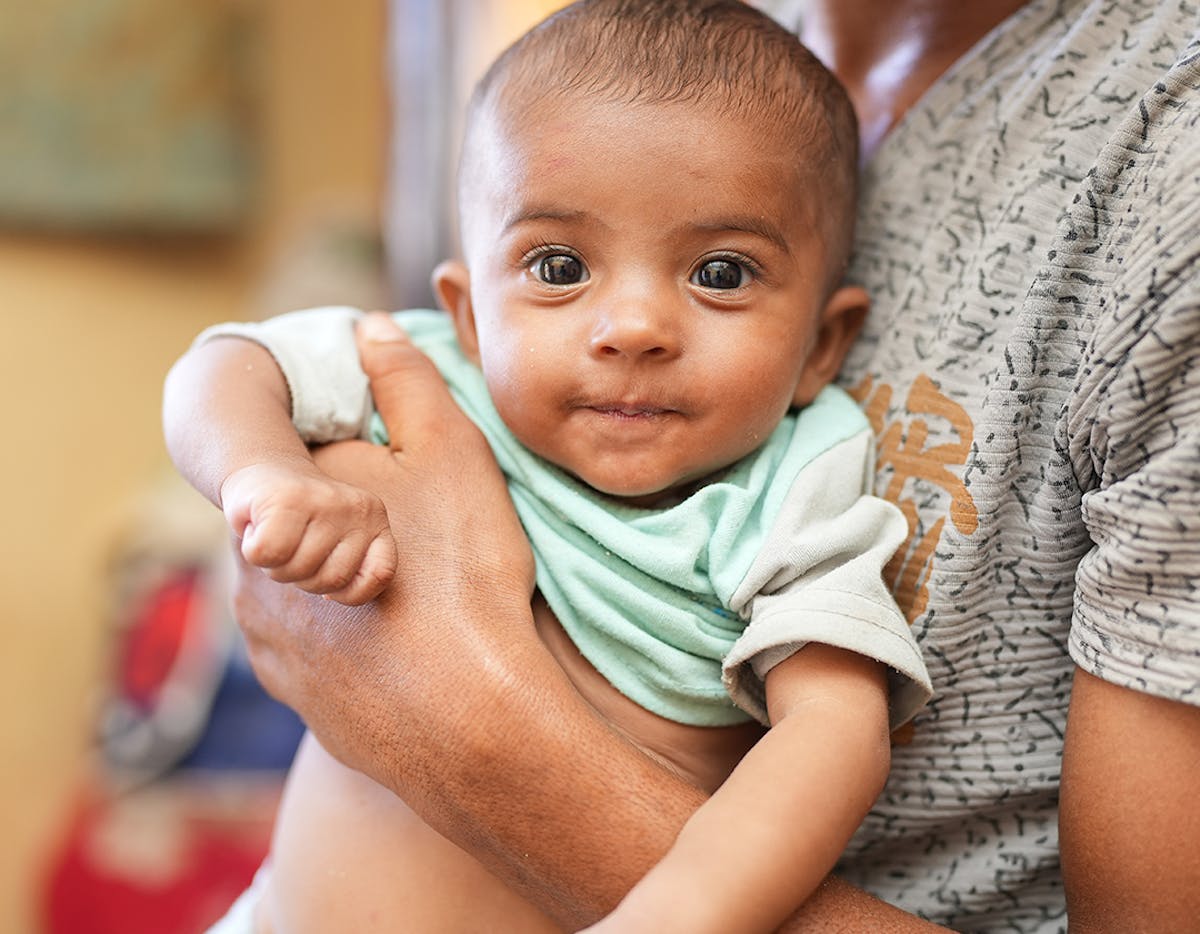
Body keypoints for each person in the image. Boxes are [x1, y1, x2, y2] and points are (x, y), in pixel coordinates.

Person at [172, 0, 1200, 930]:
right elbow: (227, 363)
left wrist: (684, 905)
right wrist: (264, 477)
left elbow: (835, 727)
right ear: (467, 312)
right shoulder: (435, 369)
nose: (631, 326)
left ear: (827, 348)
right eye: (560, 267)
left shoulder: (791, 484)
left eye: (719, 274)